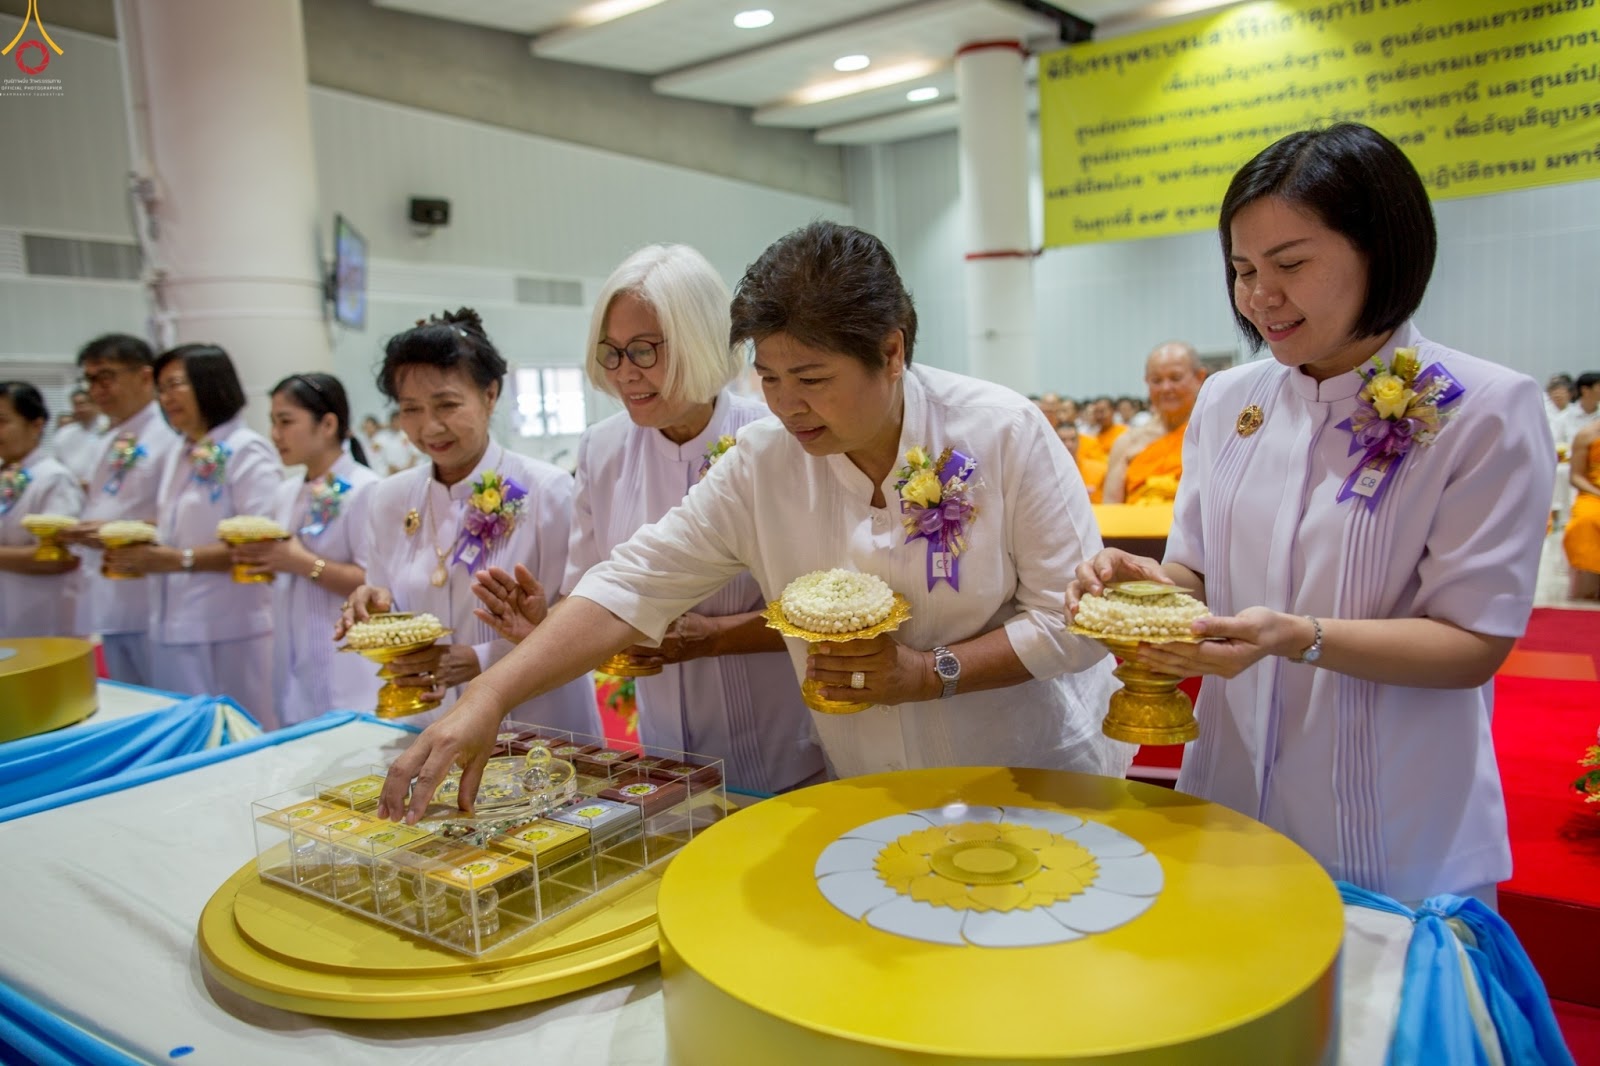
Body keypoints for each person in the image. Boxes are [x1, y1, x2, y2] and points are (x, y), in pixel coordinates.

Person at [380, 222, 1129, 822]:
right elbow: (634, 581)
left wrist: (927, 674)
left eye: (812, 378)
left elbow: (1074, 622)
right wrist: (490, 694)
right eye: (768, 378)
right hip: (866, 785)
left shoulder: (1001, 433)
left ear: (891, 351)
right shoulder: (763, 462)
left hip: (1025, 777)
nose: (787, 405)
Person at [1069, 122, 1553, 905]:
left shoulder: (1481, 409)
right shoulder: (1229, 400)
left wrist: (1300, 638)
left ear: (1381, 250)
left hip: (1388, 817)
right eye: (1243, 270)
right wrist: (1144, 588)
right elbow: (1197, 575)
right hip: (1229, 791)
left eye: (1291, 264)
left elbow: (1472, 644)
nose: (1261, 296)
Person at [474, 244, 823, 793]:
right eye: (611, 353)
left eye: (643, 350)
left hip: (784, 744)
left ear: (699, 340)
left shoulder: (777, 439)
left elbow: (825, 608)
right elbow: (595, 589)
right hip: (666, 754)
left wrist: (712, 636)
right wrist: (545, 621)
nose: (625, 373)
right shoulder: (603, 449)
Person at [336, 309, 600, 734]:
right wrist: (374, 607)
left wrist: (480, 658)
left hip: (536, 721)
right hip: (429, 722)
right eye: (411, 409)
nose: (429, 427)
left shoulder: (546, 490)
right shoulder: (389, 498)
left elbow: (583, 618)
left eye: (447, 404)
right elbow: (389, 601)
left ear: (490, 394)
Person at [104, 345, 283, 727]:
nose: (166, 398)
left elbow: (262, 540)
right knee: (187, 733)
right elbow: (176, 525)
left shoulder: (245, 449)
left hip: (229, 623)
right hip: (172, 621)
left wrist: (179, 560)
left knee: (241, 731)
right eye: (161, 389)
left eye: (175, 385)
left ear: (210, 384)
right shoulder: (181, 451)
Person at [229, 374, 381, 724]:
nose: (275, 434)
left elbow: (375, 584)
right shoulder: (287, 492)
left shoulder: (366, 489)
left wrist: (302, 563)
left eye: (286, 422)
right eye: (273, 422)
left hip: (346, 669)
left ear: (327, 424)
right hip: (293, 667)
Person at [61, 334, 181, 684]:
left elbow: (179, 515)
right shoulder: (106, 440)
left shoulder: (170, 436)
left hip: (150, 593)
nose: (97, 390)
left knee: (162, 693)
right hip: (108, 592)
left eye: (106, 377)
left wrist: (114, 531)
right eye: (90, 380)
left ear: (144, 376)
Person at [0, 382, 84, 637]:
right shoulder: (6, 474)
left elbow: (58, 558)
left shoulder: (53, 479)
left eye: (2, 421)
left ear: (36, 425)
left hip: (39, 618)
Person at [1101, 343, 1205, 505]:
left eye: (1175, 378)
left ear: (1199, 377)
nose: (1166, 388)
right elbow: (1111, 508)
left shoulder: (1213, 436)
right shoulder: (1127, 443)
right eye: (1156, 380)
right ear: (1147, 382)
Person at [1564, 417, 1600, 601]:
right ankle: (1589, 588)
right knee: (1586, 520)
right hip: (1593, 495)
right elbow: (1576, 477)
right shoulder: (1587, 435)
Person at [51, 386, 105, 487]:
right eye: (75, 405)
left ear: (94, 404)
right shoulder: (64, 433)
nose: (79, 409)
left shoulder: (108, 427)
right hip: (73, 487)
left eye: (82, 404)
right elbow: (58, 463)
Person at [1056, 421, 1106, 502]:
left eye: (1073, 439)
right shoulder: (1048, 473)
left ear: (1079, 441)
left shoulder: (1098, 470)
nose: (1069, 445)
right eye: (1063, 440)